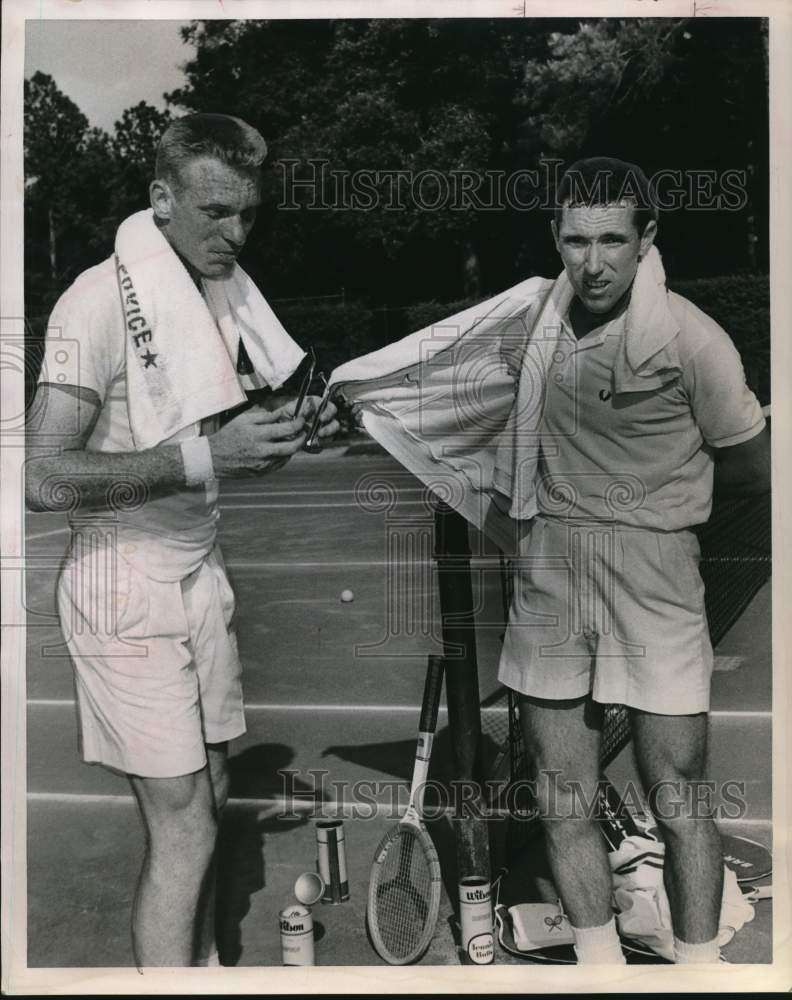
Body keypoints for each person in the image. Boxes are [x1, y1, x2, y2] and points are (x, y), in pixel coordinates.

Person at [25, 113, 339, 967]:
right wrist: (209, 455)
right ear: (161, 201)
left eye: (248, 214)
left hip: (196, 569)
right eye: (214, 214)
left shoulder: (212, 288)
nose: (235, 236)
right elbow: (43, 478)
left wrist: (269, 440)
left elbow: (210, 452)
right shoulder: (95, 301)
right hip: (121, 584)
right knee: (186, 825)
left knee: (217, 794)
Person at [495, 157, 770, 964]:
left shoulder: (692, 339)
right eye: (576, 240)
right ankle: (598, 964)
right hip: (550, 568)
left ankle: (697, 969)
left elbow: (751, 467)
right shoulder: (531, 324)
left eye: (613, 238)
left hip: (653, 573)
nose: (594, 261)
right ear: (556, 238)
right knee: (561, 789)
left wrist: (657, 508)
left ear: (647, 237)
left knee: (678, 791)